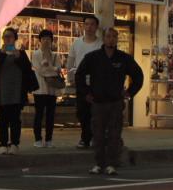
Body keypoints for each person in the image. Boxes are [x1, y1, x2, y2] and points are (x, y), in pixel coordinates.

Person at [75, 27, 144, 175]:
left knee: (114, 134)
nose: (111, 39)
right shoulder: (93, 57)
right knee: (98, 134)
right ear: (103, 38)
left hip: (115, 102)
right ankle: (99, 163)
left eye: (114, 36)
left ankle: (112, 164)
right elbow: (79, 75)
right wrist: (86, 93)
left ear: (117, 39)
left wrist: (129, 93)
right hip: (98, 102)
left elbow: (138, 76)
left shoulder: (123, 58)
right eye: (108, 36)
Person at [0, 27, 37, 155]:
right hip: (2, 92)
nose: (7, 39)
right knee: (3, 119)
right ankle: (3, 144)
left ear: (15, 39)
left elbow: (27, 70)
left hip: (17, 92)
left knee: (15, 119)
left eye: (10, 36)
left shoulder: (21, 53)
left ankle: (15, 143)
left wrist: (18, 58)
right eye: (5, 37)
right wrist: (3, 55)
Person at [67, 14, 103, 148]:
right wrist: (71, 78)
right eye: (87, 24)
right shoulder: (77, 43)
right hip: (81, 82)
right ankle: (85, 137)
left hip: (96, 83)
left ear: (96, 27)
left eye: (92, 24)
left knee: (96, 112)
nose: (89, 27)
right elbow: (70, 62)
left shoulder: (101, 44)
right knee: (82, 112)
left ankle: (94, 137)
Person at [30, 29, 64, 147]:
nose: (46, 41)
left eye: (48, 39)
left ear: (51, 41)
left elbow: (59, 69)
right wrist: (52, 69)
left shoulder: (55, 55)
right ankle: (37, 139)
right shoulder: (36, 54)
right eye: (43, 39)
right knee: (38, 115)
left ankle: (49, 139)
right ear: (40, 40)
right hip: (39, 89)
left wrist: (49, 68)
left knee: (50, 115)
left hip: (52, 89)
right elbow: (40, 70)